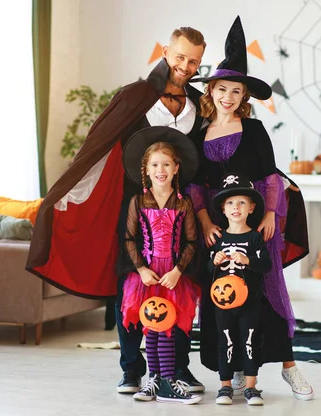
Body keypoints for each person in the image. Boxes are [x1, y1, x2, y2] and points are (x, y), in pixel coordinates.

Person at [26, 26, 206, 394]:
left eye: (194, 60)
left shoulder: (198, 102)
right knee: (133, 286)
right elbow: (97, 144)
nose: (186, 65)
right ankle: (131, 370)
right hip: (134, 208)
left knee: (182, 286)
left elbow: (213, 152)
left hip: (180, 209)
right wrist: (65, 190)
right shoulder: (136, 95)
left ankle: (180, 369)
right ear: (166, 52)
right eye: (181, 56)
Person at [187, 16, 314, 400]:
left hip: (255, 220)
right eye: (221, 89)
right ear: (211, 91)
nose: (228, 96)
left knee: (265, 291)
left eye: (236, 91)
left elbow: (271, 177)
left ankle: (289, 367)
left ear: (245, 96)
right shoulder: (198, 132)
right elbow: (195, 184)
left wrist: (272, 214)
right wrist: (206, 218)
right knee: (224, 294)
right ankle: (236, 370)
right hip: (218, 226)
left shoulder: (255, 131)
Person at [120, 127, 202, 404]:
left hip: (173, 273)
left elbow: (191, 241)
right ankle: (156, 380)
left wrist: (178, 271)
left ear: (176, 168)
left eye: (166, 164)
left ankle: (166, 379)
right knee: (151, 327)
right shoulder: (137, 201)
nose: (161, 169)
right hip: (147, 272)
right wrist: (142, 269)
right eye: (155, 164)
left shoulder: (184, 203)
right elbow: (130, 238)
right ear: (146, 168)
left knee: (167, 325)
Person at [208, 173, 272, 406]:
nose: (236, 207)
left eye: (242, 202)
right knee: (225, 341)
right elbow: (207, 269)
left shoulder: (255, 238)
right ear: (223, 210)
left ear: (251, 207)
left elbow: (266, 265)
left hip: (250, 301)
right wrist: (213, 261)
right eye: (230, 203)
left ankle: (251, 387)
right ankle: (225, 386)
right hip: (222, 302)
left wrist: (247, 261)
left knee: (249, 340)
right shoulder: (218, 238)